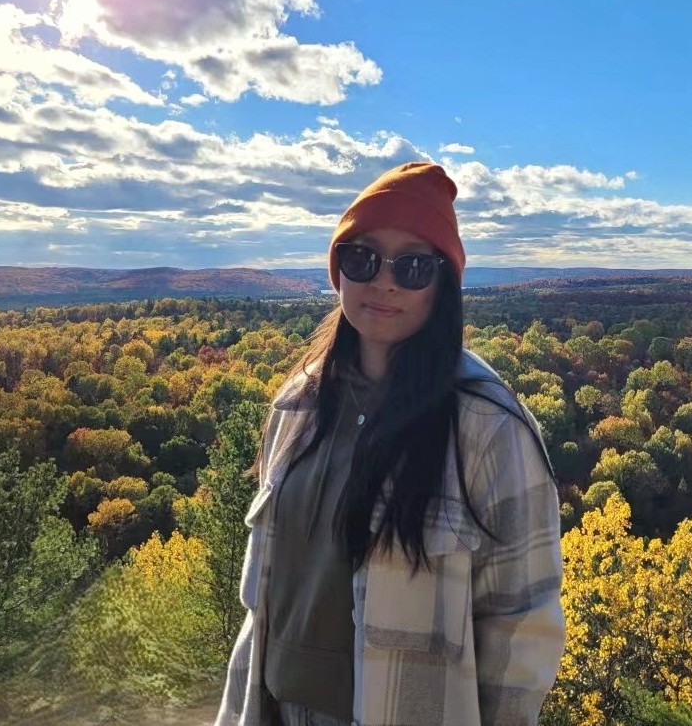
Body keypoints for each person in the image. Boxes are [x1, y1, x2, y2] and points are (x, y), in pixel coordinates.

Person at [215, 162, 565, 726]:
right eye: (363, 258)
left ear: (443, 286)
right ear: (338, 271)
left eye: (413, 267)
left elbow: (523, 626)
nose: (383, 281)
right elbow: (262, 605)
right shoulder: (297, 404)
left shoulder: (488, 426)